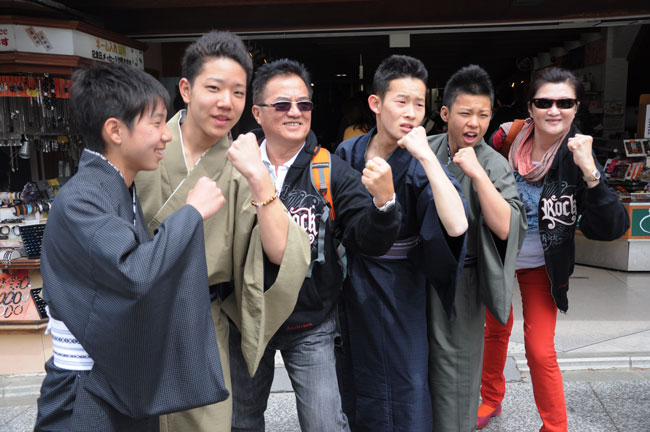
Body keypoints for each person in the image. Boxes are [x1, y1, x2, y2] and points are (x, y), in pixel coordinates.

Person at [35, 63, 228, 431]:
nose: (166, 135)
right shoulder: (81, 199)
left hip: (114, 381)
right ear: (115, 130)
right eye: (156, 123)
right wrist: (191, 214)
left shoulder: (117, 189)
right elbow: (133, 273)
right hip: (84, 392)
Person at [135, 32, 311, 432]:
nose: (226, 102)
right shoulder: (143, 148)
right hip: (137, 317)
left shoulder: (241, 165)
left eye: (237, 92)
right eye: (214, 88)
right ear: (186, 89)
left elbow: (286, 255)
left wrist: (259, 178)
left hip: (200, 321)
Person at [228, 58, 402, 432]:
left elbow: (368, 239)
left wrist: (385, 204)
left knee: (324, 423)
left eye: (303, 104)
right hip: (247, 320)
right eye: (282, 104)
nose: (295, 112)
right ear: (257, 113)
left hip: (311, 322)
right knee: (240, 421)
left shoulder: (329, 169)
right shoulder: (234, 167)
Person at [478, 67, 630, 431]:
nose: (554, 110)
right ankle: (490, 399)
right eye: (544, 102)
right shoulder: (505, 138)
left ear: (576, 107)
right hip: (498, 256)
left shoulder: (579, 153)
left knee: (540, 349)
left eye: (564, 102)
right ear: (530, 107)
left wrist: (590, 171)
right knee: (495, 330)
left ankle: (555, 426)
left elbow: (612, 227)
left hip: (541, 265)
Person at [336, 54, 468, 432]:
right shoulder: (348, 152)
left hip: (400, 284)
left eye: (419, 104)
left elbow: (457, 225)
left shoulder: (420, 161)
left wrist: (426, 155)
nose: (412, 113)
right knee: (354, 377)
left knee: (405, 379)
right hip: (353, 281)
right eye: (401, 101)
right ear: (376, 103)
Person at [427, 65, 527, 432]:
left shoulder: (493, 163)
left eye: (483, 115)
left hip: (462, 282)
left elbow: (507, 227)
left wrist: (477, 174)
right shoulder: (427, 149)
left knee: (456, 370)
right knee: (414, 364)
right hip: (418, 276)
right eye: (465, 113)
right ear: (445, 112)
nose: (474, 123)